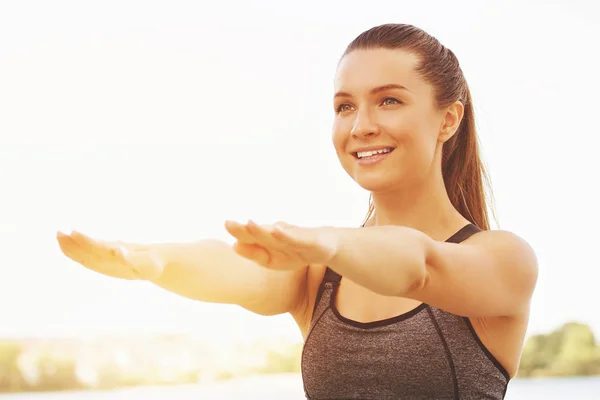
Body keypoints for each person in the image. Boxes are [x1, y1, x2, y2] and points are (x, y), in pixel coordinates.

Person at [56, 23, 538, 399]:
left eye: (389, 101)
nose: (362, 126)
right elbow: (239, 270)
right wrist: (156, 262)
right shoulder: (318, 271)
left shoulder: (503, 260)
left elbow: (421, 267)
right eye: (345, 107)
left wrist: (329, 241)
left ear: (447, 119)